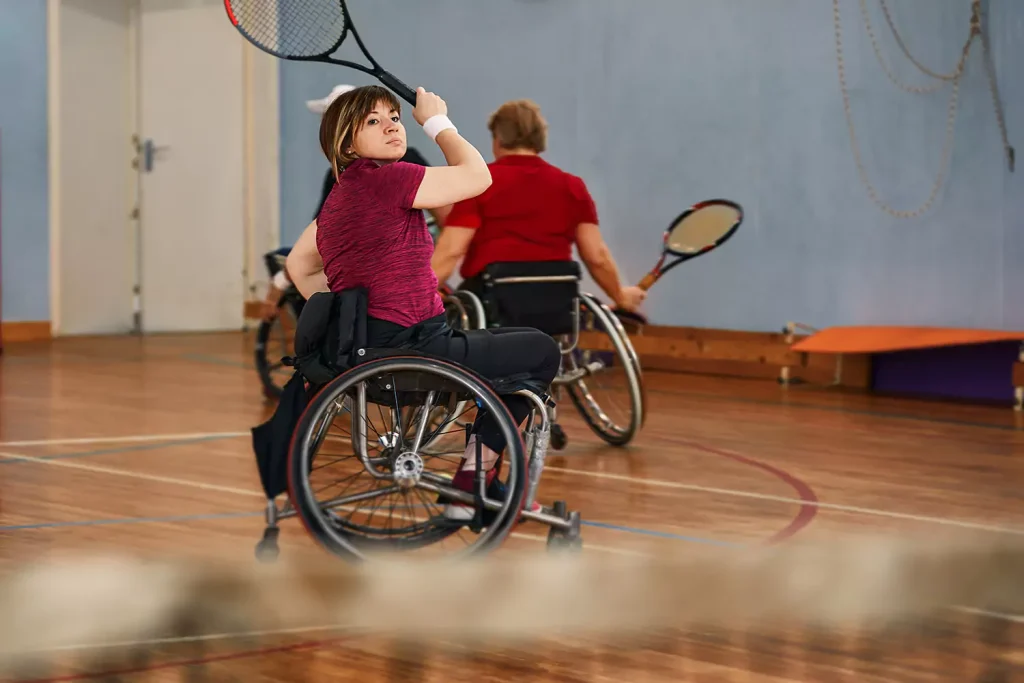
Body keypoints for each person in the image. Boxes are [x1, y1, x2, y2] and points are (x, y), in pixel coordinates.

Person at [285, 84, 559, 520]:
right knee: (541, 351)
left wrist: (349, 314)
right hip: (416, 346)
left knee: (506, 347)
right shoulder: (389, 179)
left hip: (369, 350)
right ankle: (473, 479)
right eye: (373, 121)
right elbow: (478, 177)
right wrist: (436, 122)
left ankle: (480, 474)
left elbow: (299, 266)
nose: (392, 125)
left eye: (393, 116)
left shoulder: (340, 198)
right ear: (346, 144)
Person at [429, 99, 646, 314]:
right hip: (555, 305)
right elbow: (596, 256)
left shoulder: (480, 182)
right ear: (539, 138)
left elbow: (451, 250)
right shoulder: (571, 186)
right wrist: (620, 296)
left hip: (494, 303)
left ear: (497, 139)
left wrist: (412, 295)